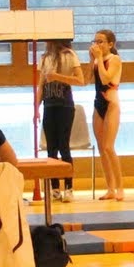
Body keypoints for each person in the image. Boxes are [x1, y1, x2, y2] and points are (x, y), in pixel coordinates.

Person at [40, 37, 84, 201]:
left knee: (64, 146)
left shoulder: (69, 55)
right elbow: (40, 85)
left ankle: (69, 187)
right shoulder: (45, 58)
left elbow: (80, 80)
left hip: (65, 105)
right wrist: (36, 108)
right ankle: (55, 188)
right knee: (51, 148)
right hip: (48, 105)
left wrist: (58, 77)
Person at [89, 29, 125, 201]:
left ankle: (120, 187)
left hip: (111, 104)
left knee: (109, 147)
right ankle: (110, 188)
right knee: (101, 148)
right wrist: (92, 60)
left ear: (110, 44)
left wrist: (98, 59)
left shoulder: (114, 59)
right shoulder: (98, 60)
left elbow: (105, 79)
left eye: (101, 41)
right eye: (95, 41)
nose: (97, 45)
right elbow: (91, 79)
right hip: (98, 104)